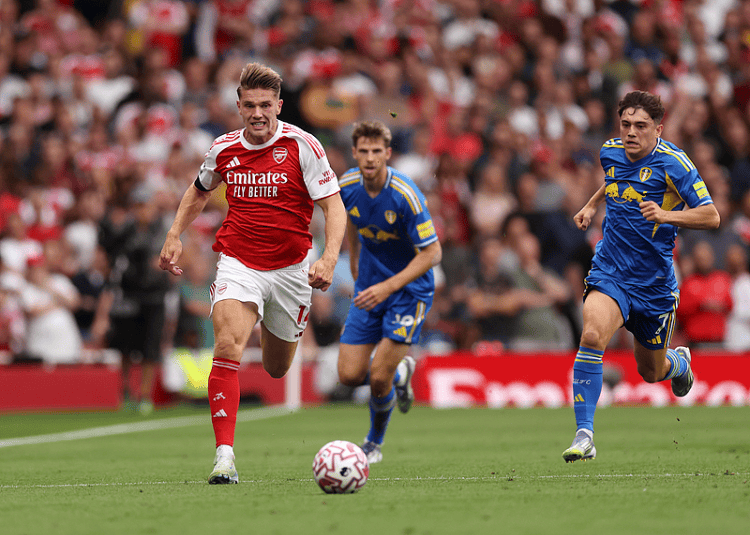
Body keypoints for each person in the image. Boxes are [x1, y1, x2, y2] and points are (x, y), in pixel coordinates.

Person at [158, 62, 347, 484]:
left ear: (278, 105)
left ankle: (279, 329)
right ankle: (224, 457)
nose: (258, 113)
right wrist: (174, 234)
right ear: (239, 107)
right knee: (227, 344)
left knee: (278, 366)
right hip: (238, 262)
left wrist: (329, 258)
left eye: (265, 104)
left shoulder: (303, 145)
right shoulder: (223, 148)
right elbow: (199, 191)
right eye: (249, 105)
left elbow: (333, 205)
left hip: (292, 269)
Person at [562, 90, 720, 463]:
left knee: (651, 371)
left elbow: (711, 215)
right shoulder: (609, 151)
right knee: (591, 335)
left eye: (641, 126)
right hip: (611, 270)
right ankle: (585, 434)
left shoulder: (675, 164)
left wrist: (667, 215)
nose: (631, 132)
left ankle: (678, 363)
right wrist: (591, 204)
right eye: (626, 124)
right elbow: (614, 180)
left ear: (658, 129)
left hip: (654, 286)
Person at [336, 120, 442, 464]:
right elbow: (350, 218)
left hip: (408, 291)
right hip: (370, 286)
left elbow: (433, 252)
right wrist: (354, 258)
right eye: (364, 151)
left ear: (388, 153)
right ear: (355, 153)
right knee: (348, 375)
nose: (370, 158)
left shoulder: (405, 194)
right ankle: (400, 371)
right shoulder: (346, 185)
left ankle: (373, 443)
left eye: (376, 151)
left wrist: (388, 287)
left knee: (378, 380)